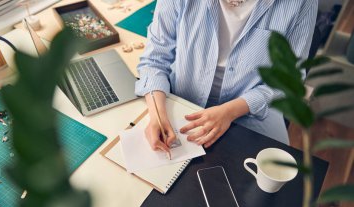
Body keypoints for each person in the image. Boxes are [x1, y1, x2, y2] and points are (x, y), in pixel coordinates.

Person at [135, 0, 318, 154]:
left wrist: (230, 111)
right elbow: (154, 59)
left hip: (251, 108)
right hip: (183, 98)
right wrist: (157, 116)